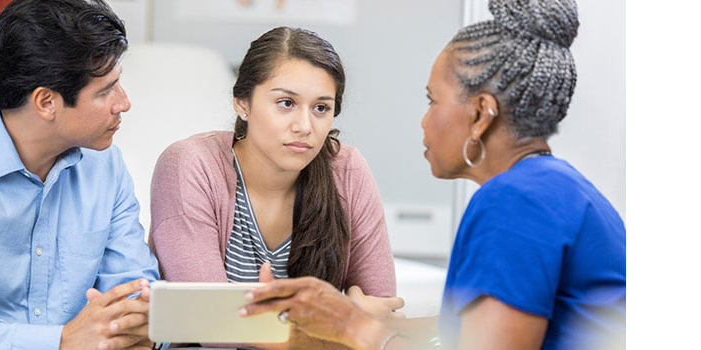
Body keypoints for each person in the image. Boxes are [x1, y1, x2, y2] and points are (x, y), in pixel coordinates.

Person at [239, 1, 627, 349]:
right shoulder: (553, 187)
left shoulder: (514, 201)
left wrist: (354, 326)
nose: (424, 120)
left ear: (480, 115)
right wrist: (350, 323)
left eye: (432, 100)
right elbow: (466, 336)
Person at [0, 1, 165, 349]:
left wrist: (137, 328)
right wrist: (60, 340)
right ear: (46, 102)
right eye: (105, 91)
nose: (123, 103)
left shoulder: (105, 166)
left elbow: (134, 290)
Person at [148, 27, 403, 348]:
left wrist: (352, 322)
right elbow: (209, 325)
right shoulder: (190, 163)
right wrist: (346, 317)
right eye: (286, 103)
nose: (304, 126)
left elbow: (384, 313)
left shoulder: (347, 170)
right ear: (242, 103)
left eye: (321, 108)